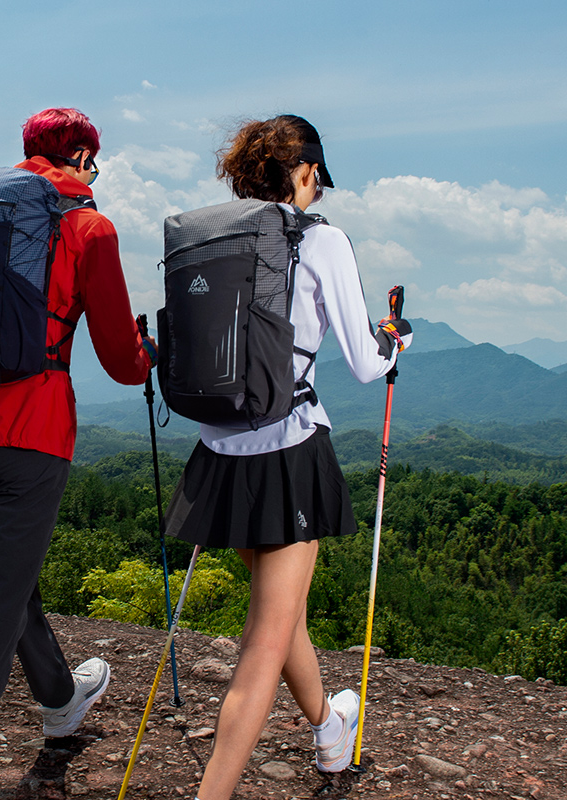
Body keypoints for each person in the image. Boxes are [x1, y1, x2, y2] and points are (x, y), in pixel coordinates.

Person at [0, 107, 156, 800]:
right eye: (92, 160)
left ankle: (61, 700)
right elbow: (119, 359)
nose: (93, 172)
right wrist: (149, 355)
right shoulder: (88, 226)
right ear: (78, 156)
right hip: (34, 440)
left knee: (11, 591)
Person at [162, 114, 412, 800]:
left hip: (218, 452)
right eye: (315, 178)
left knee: (284, 615)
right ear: (304, 171)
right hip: (289, 450)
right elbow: (366, 364)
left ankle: (332, 732)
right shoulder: (319, 240)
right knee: (263, 645)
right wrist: (398, 343)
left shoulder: (214, 237)